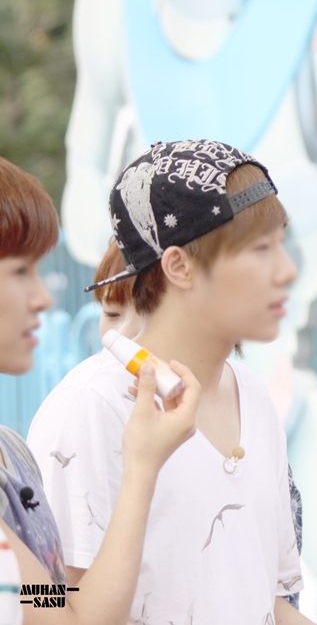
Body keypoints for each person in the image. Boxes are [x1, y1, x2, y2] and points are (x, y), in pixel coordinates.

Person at [27, 140, 310, 625]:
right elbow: (44, 603)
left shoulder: (252, 393)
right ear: (179, 266)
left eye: (282, 243)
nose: (286, 271)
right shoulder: (90, 405)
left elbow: (267, 600)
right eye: (260, 249)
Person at [0, 155, 200, 625]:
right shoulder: (86, 401)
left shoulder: (11, 452)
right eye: (20, 272)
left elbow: (56, 606)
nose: (43, 298)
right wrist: (141, 469)